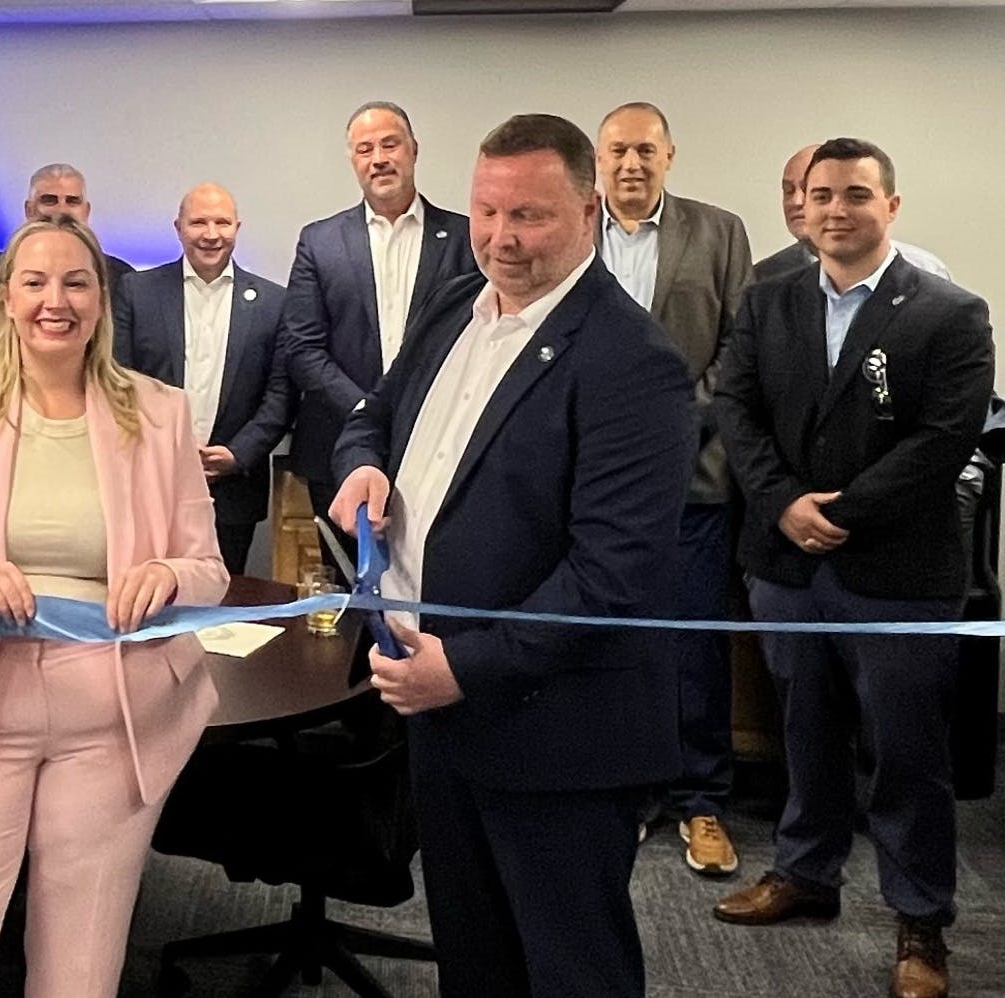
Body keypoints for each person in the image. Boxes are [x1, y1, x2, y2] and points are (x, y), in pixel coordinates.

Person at [329, 113, 691, 997]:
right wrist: (362, 462)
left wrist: (468, 667)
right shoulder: (456, 301)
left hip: (553, 726)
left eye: (529, 216)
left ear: (590, 212)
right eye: (488, 212)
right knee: (474, 955)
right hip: (436, 710)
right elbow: (372, 412)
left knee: (571, 966)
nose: (501, 239)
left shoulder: (634, 361)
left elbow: (615, 572)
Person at [0, 215, 227, 998]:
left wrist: (167, 575)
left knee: (80, 973)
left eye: (75, 282)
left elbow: (209, 572)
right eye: (34, 282)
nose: (53, 301)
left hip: (111, 725)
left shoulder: (160, 413)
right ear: (5, 300)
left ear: (102, 301)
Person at [713, 138, 992, 998]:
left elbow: (946, 439)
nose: (836, 210)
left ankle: (920, 920)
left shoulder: (950, 310)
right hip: (785, 564)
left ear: (891, 207)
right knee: (804, 731)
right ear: (801, 203)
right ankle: (806, 875)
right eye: (820, 194)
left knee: (906, 752)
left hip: (896, 569)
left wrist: (841, 512)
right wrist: (783, 504)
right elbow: (736, 406)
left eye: (856, 195)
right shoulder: (768, 303)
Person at [595, 100, 753, 874]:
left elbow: (738, 347)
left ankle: (701, 802)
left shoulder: (718, 232)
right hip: (589, 483)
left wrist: (669, 422)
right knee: (608, 642)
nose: (631, 164)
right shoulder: (572, 231)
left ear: (670, 155)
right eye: (617, 150)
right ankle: (627, 790)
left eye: (645, 151)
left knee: (693, 644)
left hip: (695, 475)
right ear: (598, 159)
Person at [282, 101, 473, 569]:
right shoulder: (319, 241)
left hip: (439, 447)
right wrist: (369, 409)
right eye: (364, 149)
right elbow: (302, 349)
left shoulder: (467, 237)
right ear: (353, 160)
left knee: (430, 588)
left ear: (413, 150)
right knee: (349, 601)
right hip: (338, 449)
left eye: (390, 144)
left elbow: (476, 341)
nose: (379, 158)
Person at [114, 181, 294, 574]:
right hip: (151, 482)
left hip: (232, 489)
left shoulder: (274, 303)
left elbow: (280, 395)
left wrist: (238, 454)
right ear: (178, 227)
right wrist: (168, 447)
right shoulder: (136, 291)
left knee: (224, 608)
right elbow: (118, 381)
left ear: (237, 228)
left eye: (222, 223)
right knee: (147, 602)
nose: (211, 234)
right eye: (198, 222)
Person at [0, 163, 134, 367]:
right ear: (29, 209)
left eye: (72, 201)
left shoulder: (123, 278)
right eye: (49, 200)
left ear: (86, 210)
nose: (61, 210)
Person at [755, 143, 951, 282]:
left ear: (892, 207)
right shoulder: (762, 278)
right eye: (788, 191)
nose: (797, 201)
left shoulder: (925, 269)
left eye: (809, 191)